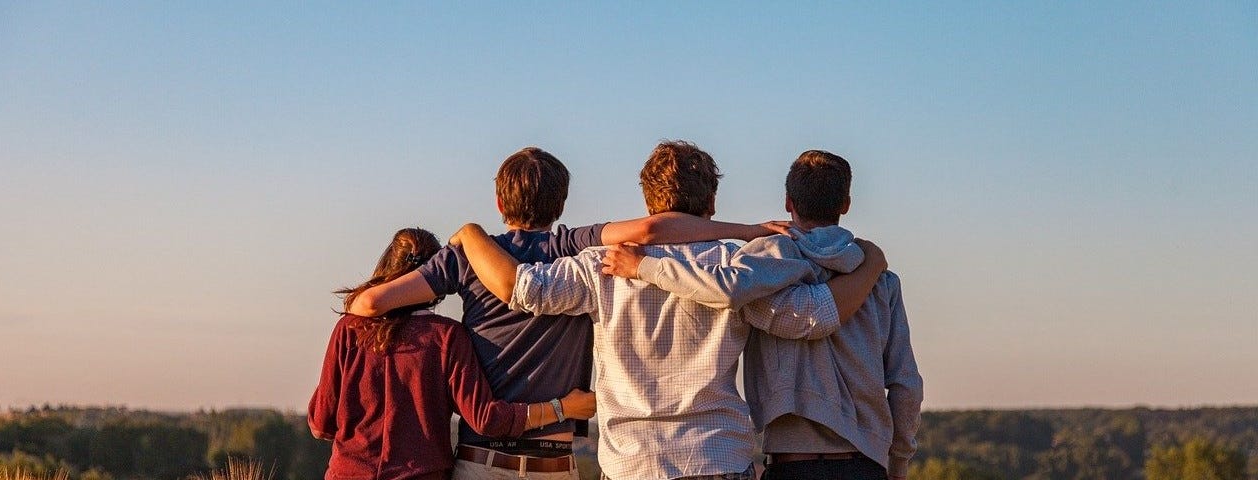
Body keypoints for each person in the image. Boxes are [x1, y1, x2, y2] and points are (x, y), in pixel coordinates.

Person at [450, 141, 889, 480]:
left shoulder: (601, 264)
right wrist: (871, 264)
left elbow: (523, 289)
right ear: (711, 204)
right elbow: (809, 318)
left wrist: (470, 234)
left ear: (647, 203)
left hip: (632, 462)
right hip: (717, 454)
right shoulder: (737, 265)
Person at [347, 147, 778, 479]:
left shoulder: (468, 257)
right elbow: (652, 229)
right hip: (555, 459)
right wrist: (749, 231)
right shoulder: (573, 247)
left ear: (499, 202)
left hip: (482, 456)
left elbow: (369, 305)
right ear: (562, 202)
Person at [603, 150, 923, 480]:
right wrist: (898, 460)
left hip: (790, 463)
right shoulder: (881, 282)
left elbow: (725, 288)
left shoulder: (761, 270)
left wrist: (644, 266)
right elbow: (905, 384)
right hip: (866, 462)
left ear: (788, 202)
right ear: (846, 203)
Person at [308, 227, 597, 480]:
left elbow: (321, 423)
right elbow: (486, 419)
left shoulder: (349, 328)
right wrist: (563, 408)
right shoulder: (446, 336)